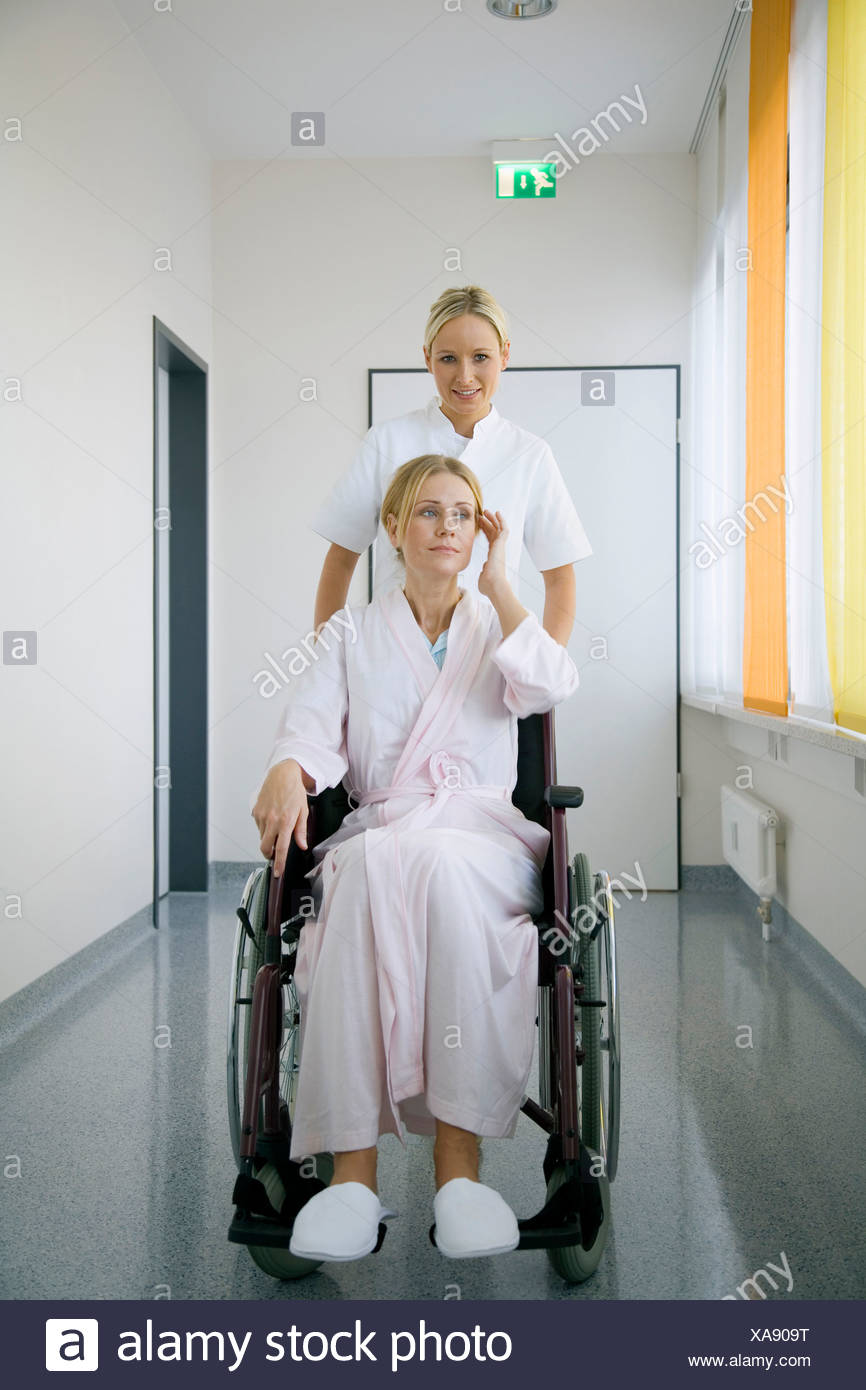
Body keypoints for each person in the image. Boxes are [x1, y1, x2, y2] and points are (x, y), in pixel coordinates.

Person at [250, 453, 580, 1263]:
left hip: (478, 840)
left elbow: (550, 684)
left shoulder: (495, 623)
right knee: (359, 877)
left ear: (480, 534)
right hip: (384, 830)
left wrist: (504, 584)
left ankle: (458, 1173)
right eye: (428, 512)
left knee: (438, 870)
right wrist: (289, 767)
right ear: (394, 528)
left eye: (463, 515)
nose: (446, 527)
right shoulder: (350, 632)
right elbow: (310, 724)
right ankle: (350, 1178)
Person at [310, 284, 592, 645]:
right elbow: (341, 559)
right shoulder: (387, 441)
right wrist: (327, 664)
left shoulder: (529, 454)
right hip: (390, 657)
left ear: (504, 355)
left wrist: (545, 676)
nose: (464, 376)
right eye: (448, 358)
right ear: (427, 358)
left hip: (490, 665)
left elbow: (559, 577)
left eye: (480, 357)